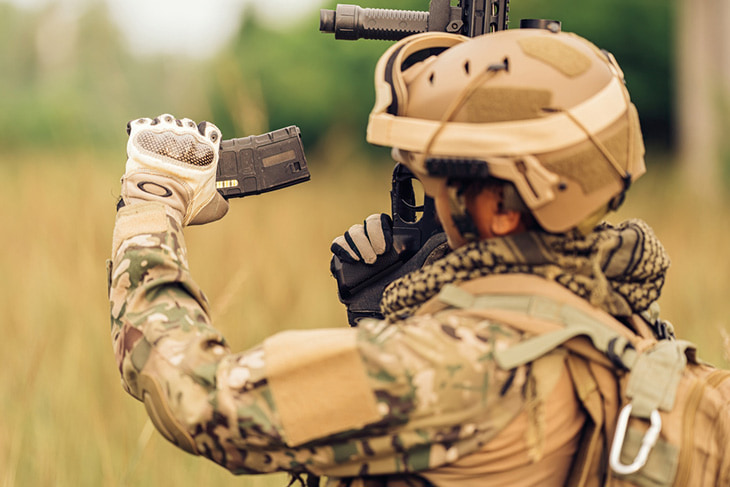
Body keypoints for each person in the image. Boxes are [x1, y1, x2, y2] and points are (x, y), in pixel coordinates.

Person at [108, 28, 671, 486]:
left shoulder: (457, 367)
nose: (431, 197)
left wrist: (153, 202)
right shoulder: (629, 329)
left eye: (442, 180)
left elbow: (201, 398)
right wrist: (411, 311)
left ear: (500, 207)